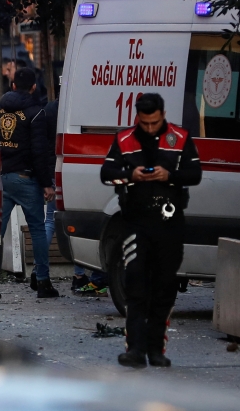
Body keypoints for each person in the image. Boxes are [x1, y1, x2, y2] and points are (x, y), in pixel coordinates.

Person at [100, 93, 201, 368]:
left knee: (164, 286)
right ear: (137, 118)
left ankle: (156, 350)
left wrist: (170, 176)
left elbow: (195, 174)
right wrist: (130, 176)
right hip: (135, 222)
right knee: (135, 282)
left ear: (163, 115)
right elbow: (106, 174)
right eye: (144, 123)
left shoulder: (179, 138)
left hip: (170, 223)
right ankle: (135, 350)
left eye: (154, 122)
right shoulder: (123, 140)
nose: (150, 128)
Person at [0, 67, 58, 298]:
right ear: (33, 87)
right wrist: (46, 184)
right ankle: (42, 281)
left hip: (1, 179)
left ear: (12, 85)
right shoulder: (36, 112)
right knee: (38, 229)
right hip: (25, 178)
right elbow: (39, 152)